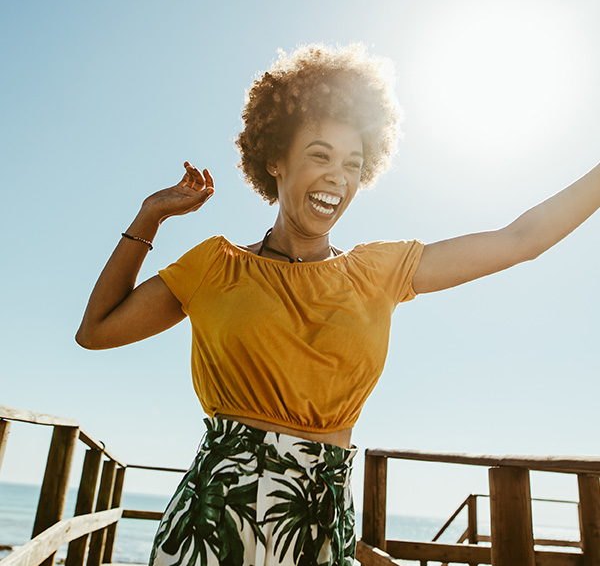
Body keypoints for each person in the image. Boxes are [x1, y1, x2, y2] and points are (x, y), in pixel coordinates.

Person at [76, 43, 600, 566]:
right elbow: (96, 330)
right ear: (276, 159)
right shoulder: (215, 265)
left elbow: (522, 239)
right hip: (213, 520)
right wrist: (150, 218)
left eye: (352, 163)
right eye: (320, 155)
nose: (337, 177)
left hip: (319, 521)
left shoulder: (380, 271)